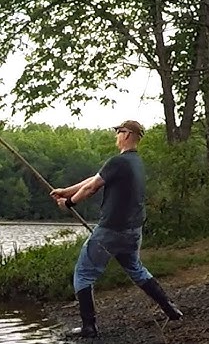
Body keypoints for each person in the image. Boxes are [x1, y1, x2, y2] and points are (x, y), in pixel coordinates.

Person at [50, 120, 183, 338]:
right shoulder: (135, 162)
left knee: (83, 274)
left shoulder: (118, 162)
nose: (116, 136)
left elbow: (92, 188)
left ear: (128, 134)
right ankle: (171, 309)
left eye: (118, 132)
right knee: (137, 270)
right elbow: (94, 179)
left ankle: (89, 327)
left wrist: (70, 203)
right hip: (133, 231)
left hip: (111, 230)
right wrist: (66, 191)